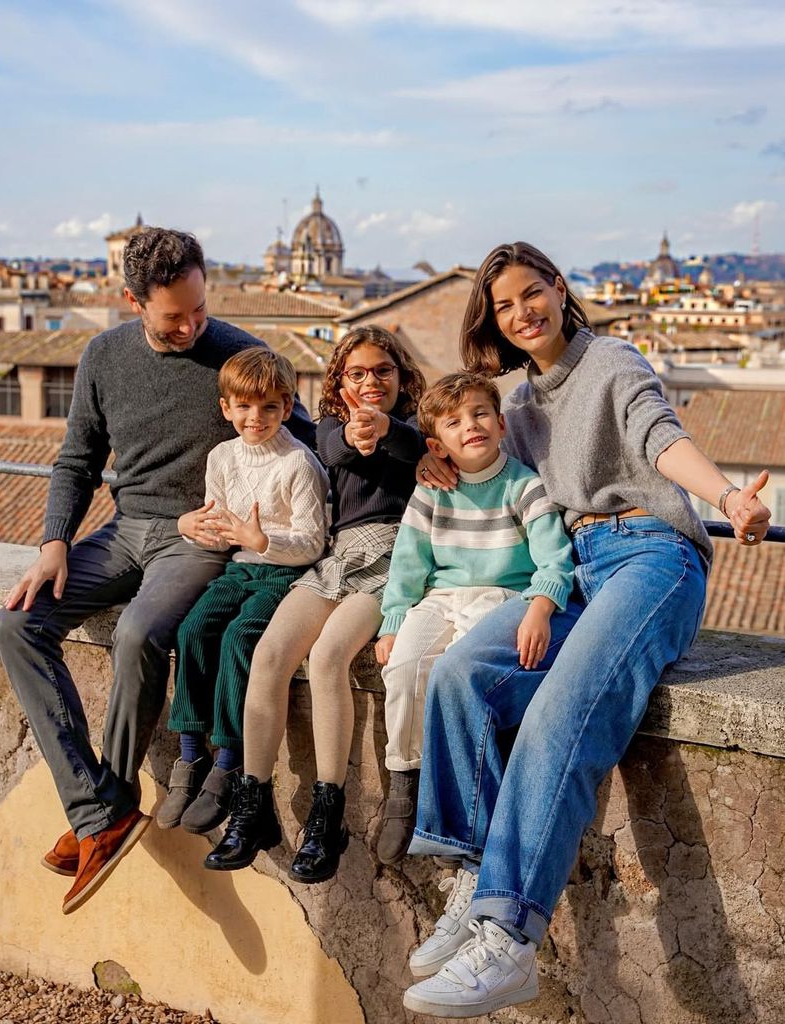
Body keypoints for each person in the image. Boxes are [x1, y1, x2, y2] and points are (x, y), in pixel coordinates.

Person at [402, 241, 771, 1017]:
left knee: (560, 712)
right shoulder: (514, 401)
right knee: (460, 673)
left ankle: (508, 939)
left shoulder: (611, 360)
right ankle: (472, 877)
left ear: (559, 289)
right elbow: (463, 444)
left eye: (531, 293)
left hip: (649, 554)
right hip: (570, 568)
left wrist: (728, 498)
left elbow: (657, 435)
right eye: (503, 305)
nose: (521, 312)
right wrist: (427, 461)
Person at [0, 227, 315, 916]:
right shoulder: (102, 354)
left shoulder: (234, 353)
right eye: (176, 316)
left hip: (198, 536)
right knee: (15, 623)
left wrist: (406, 451)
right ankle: (97, 808)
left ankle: (108, 810)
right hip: (121, 532)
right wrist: (54, 541)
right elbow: (77, 459)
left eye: (200, 307)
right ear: (132, 300)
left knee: (140, 633)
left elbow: (309, 439)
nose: (194, 325)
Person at [203, 325, 427, 883]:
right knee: (271, 654)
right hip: (333, 557)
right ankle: (252, 804)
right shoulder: (330, 425)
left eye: (382, 371)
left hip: (395, 559)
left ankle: (329, 815)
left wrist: (384, 430)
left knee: (327, 658)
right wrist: (358, 431)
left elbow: (417, 448)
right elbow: (333, 447)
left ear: (402, 377)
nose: (371, 382)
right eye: (357, 373)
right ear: (340, 380)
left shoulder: (420, 428)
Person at [373, 371, 574, 866]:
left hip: (503, 597)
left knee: (459, 677)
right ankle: (404, 782)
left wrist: (540, 608)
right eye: (454, 422)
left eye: (480, 414)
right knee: (403, 667)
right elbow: (409, 562)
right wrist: (394, 620)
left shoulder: (524, 487)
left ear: (502, 424)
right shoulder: (431, 491)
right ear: (436, 444)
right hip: (441, 596)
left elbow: (555, 560)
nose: (471, 426)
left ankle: (464, 805)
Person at [155, 347, 329, 838]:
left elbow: (313, 542)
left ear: (288, 405)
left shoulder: (299, 464)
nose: (257, 418)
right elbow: (216, 520)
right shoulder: (222, 457)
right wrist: (197, 530)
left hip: (280, 575)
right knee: (192, 630)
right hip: (237, 569)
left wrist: (263, 541)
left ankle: (228, 762)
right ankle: (190, 757)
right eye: (246, 407)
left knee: (238, 641)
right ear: (227, 408)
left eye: (270, 407)